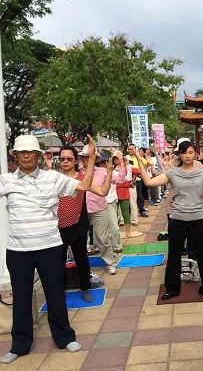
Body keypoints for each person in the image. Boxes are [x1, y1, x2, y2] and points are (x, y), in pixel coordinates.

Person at [0, 135, 97, 364]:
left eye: (30, 152)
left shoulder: (53, 178)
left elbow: (84, 186)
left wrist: (91, 157)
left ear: (38, 155)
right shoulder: (6, 181)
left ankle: (64, 337)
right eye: (21, 152)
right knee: (21, 297)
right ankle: (20, 344)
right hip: (18, 250)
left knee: (55, 293)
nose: (25, 156)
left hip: (50, 247)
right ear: (15, 156)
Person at [131, 141, 203, 299]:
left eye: (191, 152)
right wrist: (139, 160)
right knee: (174, 255)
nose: (188, 156)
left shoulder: (202, 173)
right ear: (179, 154)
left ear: (195, 154)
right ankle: (172, 289)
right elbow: (149, 182)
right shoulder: (172, 173)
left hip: (198, 219)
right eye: (185, 152)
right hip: (177, 220)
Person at [54, 146, 95, 303]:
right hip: (58, 226)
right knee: (58, 261)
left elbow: (94, 187)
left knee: (81, 258)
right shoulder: (54, 178)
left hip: (78, 224)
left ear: (76, 161)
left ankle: (85, 287)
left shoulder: (82, 178)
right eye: (62, 158)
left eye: (69, 158)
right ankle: (59, 290)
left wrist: (91, 158)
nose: (65, 161)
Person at [79, 146, 126, 275]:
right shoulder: (78, 172)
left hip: (99, 208)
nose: (86, 159)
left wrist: (121, 163)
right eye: (85, 157)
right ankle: (79, 266)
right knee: (79, 239)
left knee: (103, 238)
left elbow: (120, 179)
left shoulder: (103, 171)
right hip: (80, 210)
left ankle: (110, 263)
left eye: (89, 156)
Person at [127, 144, 148, 218]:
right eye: (129, 149)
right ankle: (130, 212)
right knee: (130, 197)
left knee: (140, 196)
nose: (130, 150)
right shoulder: (127, 157)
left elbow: (145, 164)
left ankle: (142, 211)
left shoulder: (139, 158)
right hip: (129, 180)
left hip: (138, 179)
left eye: (132, 149)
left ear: (135, 149)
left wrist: (140, 173)